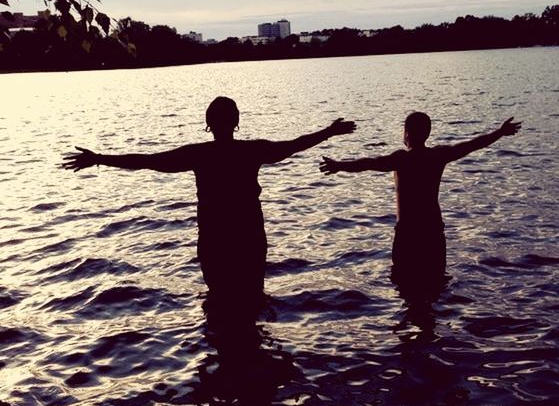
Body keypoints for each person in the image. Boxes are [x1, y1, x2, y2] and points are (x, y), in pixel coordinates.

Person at [63, 96, 356, 302]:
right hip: (249, 236)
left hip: (215, 239)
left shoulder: (199, 154)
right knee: (254, 295)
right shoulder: (251, 151)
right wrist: (329, 132)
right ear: (236, 122)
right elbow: (293, 145)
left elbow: (146, 160)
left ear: (208, 124)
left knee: (219, 298)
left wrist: (100, 158)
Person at [320, 112, 521, 298]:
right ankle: (431, 329)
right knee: (436, 282)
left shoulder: (401, 159)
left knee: (405, 285)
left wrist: (339, 166)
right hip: (432, 229)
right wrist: (500, 132)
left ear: (406, 133)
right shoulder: (438, 155)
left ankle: (410, 328)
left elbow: (368, 163)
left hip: (408, 231)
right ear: (427, 133)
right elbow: (473, 144)